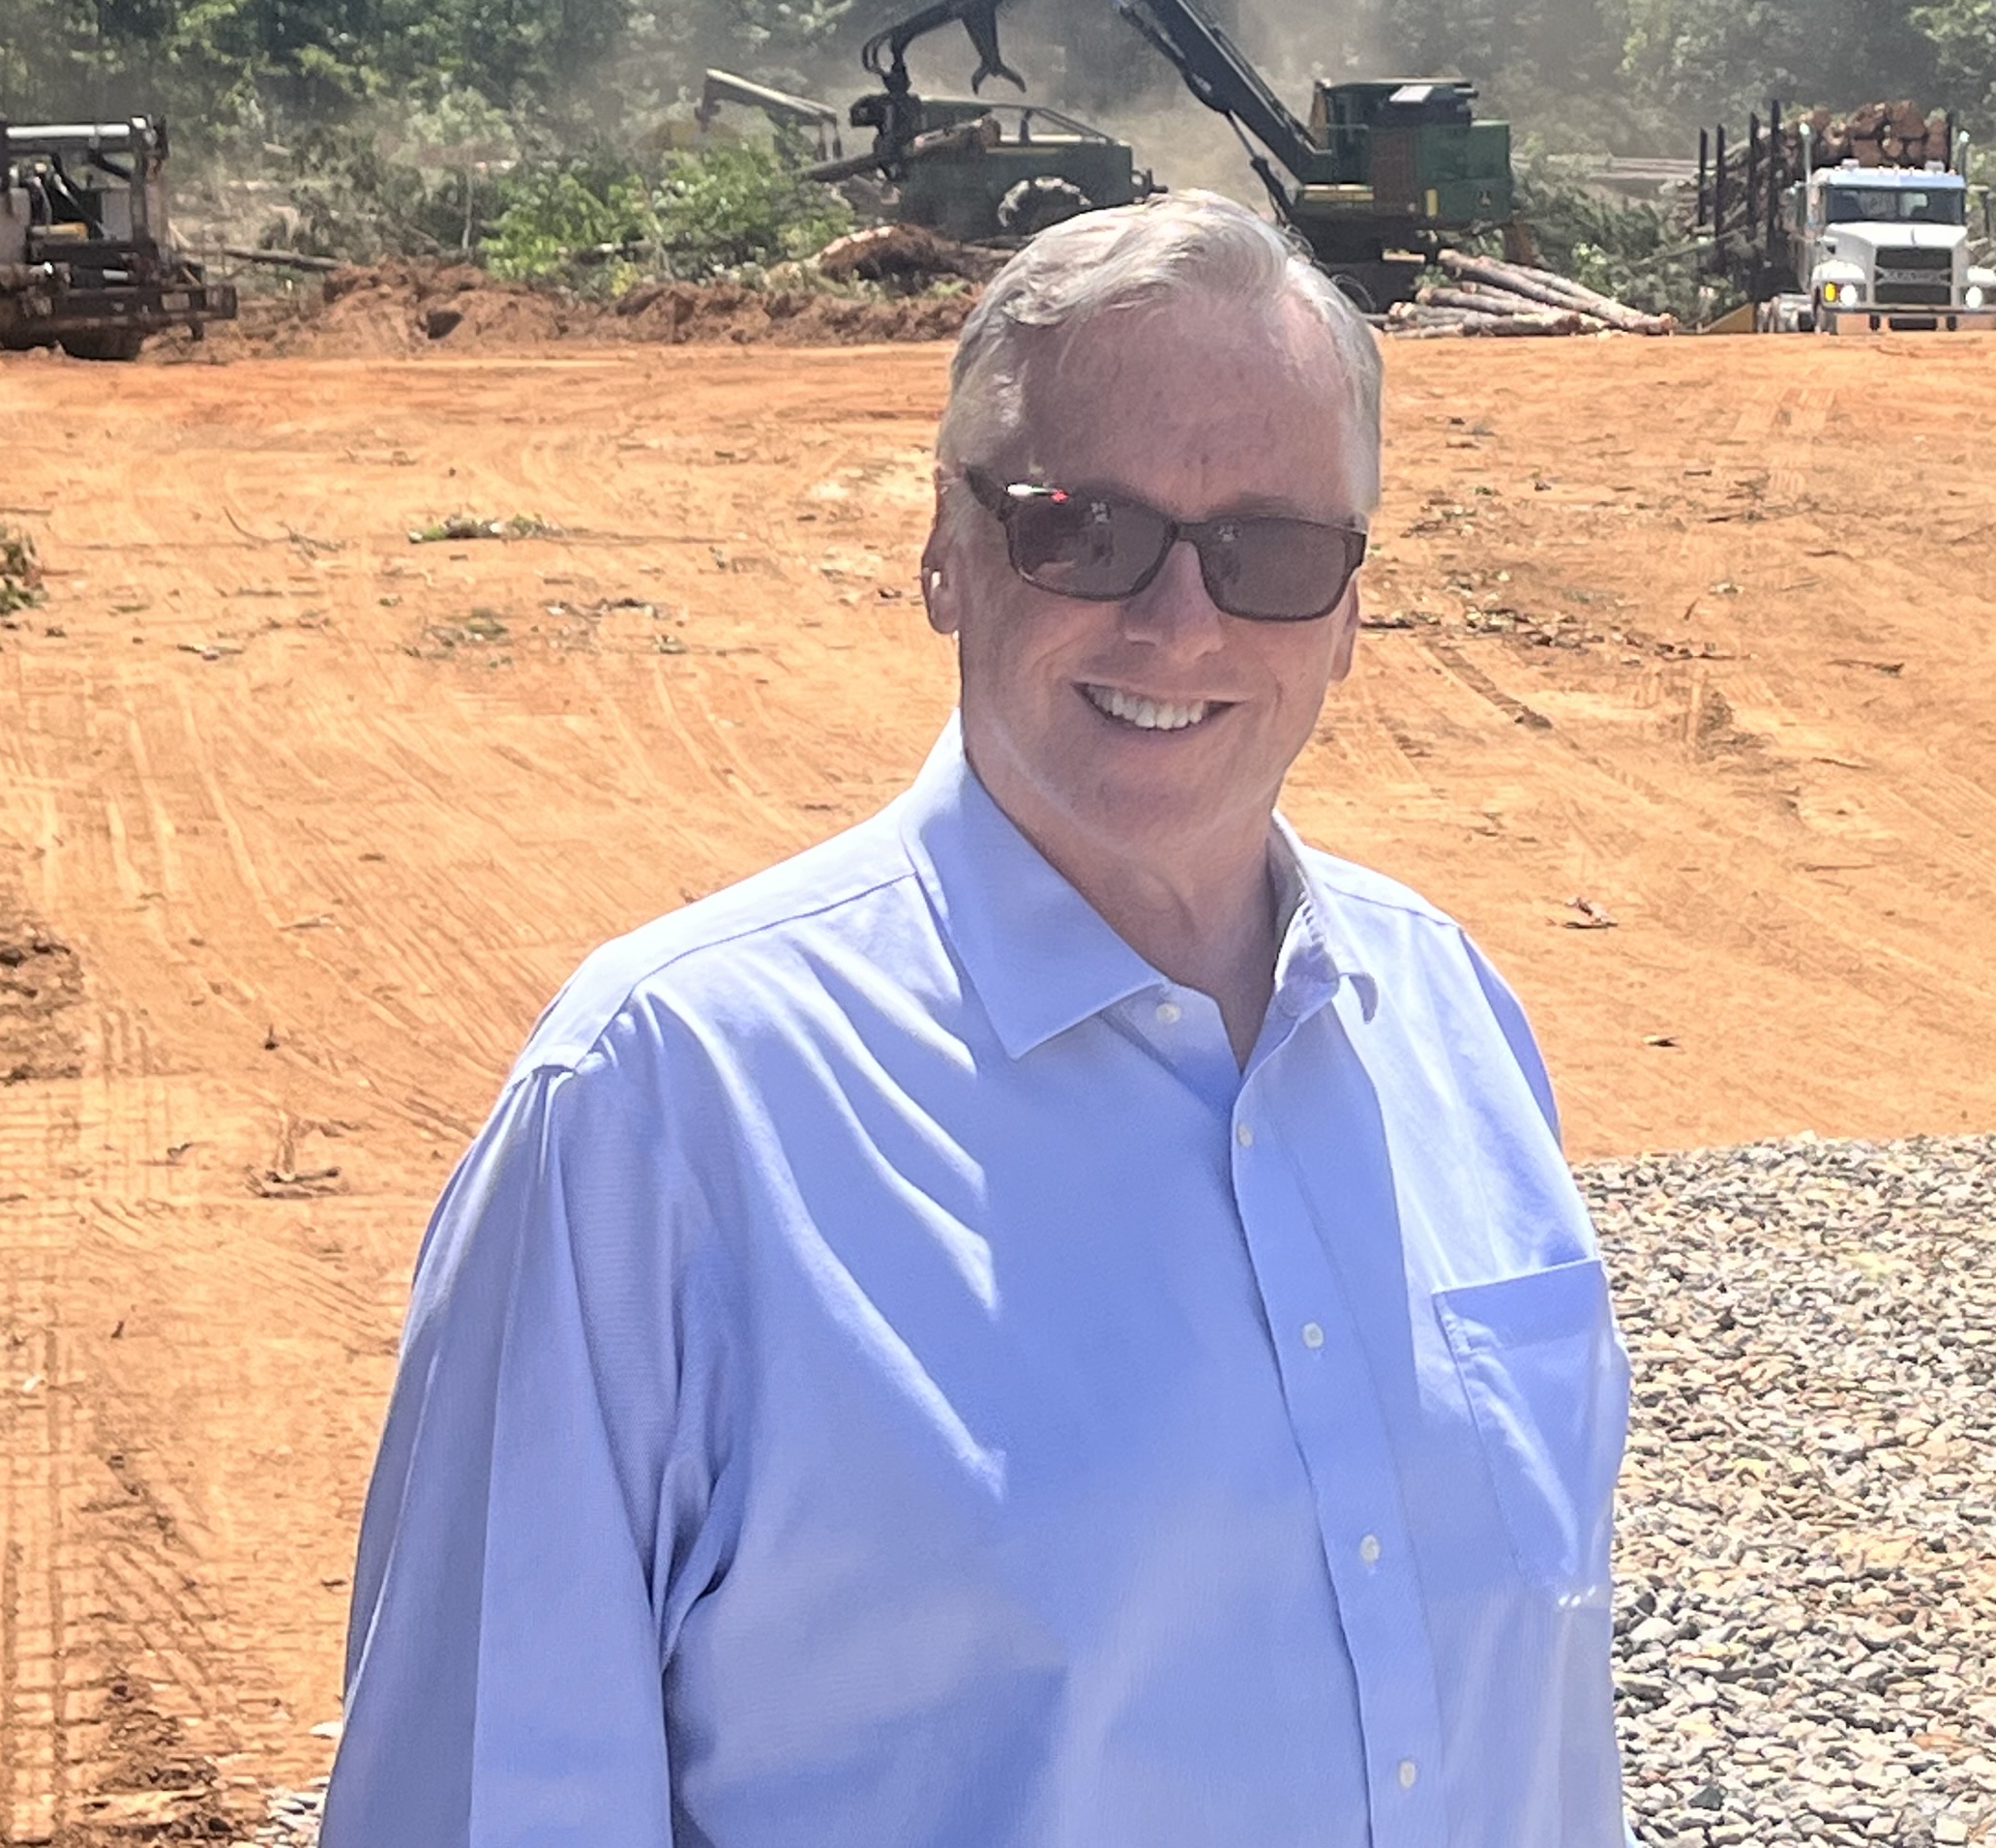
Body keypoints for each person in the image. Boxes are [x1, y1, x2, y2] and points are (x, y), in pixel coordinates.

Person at [323, 193, 1628, 1845]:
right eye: (1084, 531)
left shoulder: (1447, 1019)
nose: (1181, 623)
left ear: (1352, 607)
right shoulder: (665, 1111)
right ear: (945, 543)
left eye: (1272, 553)